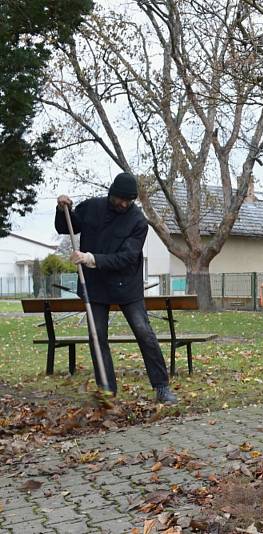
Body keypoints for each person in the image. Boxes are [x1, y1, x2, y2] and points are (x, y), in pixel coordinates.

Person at [55, 172, 178, 404]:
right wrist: (63, 210)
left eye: (128, 200)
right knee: (97, 336)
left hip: (126, 285)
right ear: (111, 193)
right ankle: (107, 390)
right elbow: (66, 227)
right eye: (120, 198)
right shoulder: (92, 207)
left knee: (144, 332)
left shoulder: (138, 221)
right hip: (95, 286)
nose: (123, 203)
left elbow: (127, 258)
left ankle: (162, 387)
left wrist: (92, 259)